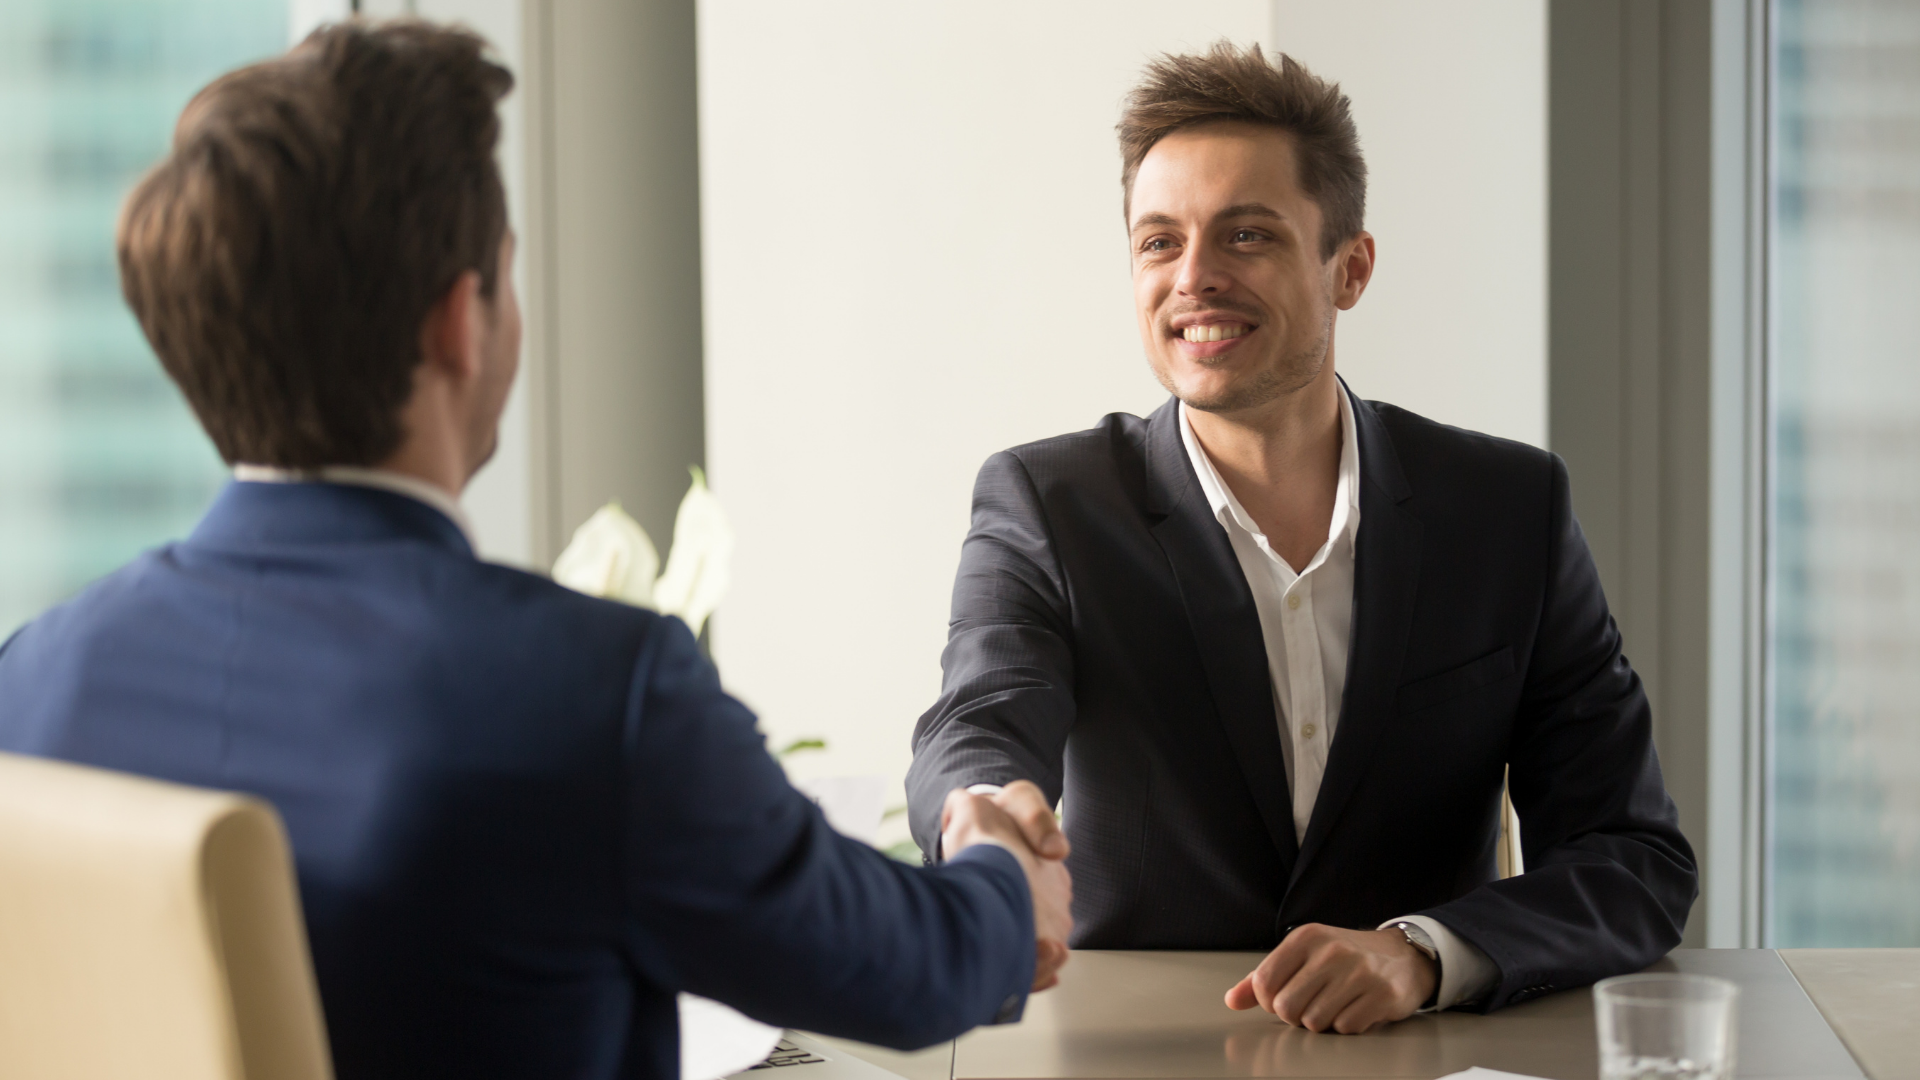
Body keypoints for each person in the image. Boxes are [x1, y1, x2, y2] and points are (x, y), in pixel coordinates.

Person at [0, 20, 1070, 1080]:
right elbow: (907, 970)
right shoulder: (588, 693)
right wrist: (1003, 874)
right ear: (462, 322)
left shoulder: (36, 681)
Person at [905, 42, 1697, 1036]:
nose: (1193, 279)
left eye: (1245, 236)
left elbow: (1632, 858)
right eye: (1159, 242)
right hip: (1144, 1057)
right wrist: (981, 816)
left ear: (1350, 268)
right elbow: (983, 712)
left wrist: (1423, 953)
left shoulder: (1506, 509)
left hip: (1424, 1054)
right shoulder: (1046, 502)